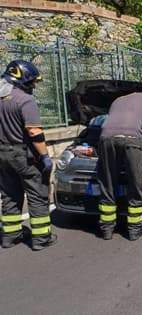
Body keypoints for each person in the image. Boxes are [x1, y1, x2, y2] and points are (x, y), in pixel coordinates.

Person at [0, 60, 57, 251]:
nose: (33, 86)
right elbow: (34, 133)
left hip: (2, 154)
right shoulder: (25, 100)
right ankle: (41, 238)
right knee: (37, 195)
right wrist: (45, 157)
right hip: (24, 155)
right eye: (31, 82)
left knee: (9, 195)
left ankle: (10, 236)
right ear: (21, 79)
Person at [97, 92, 142, 241]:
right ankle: (135, 229)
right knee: (136, 182)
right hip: (132, 138)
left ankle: (107, 229)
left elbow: (116, 121)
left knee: (107, 183)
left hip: (106, 138)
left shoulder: (117, 99)